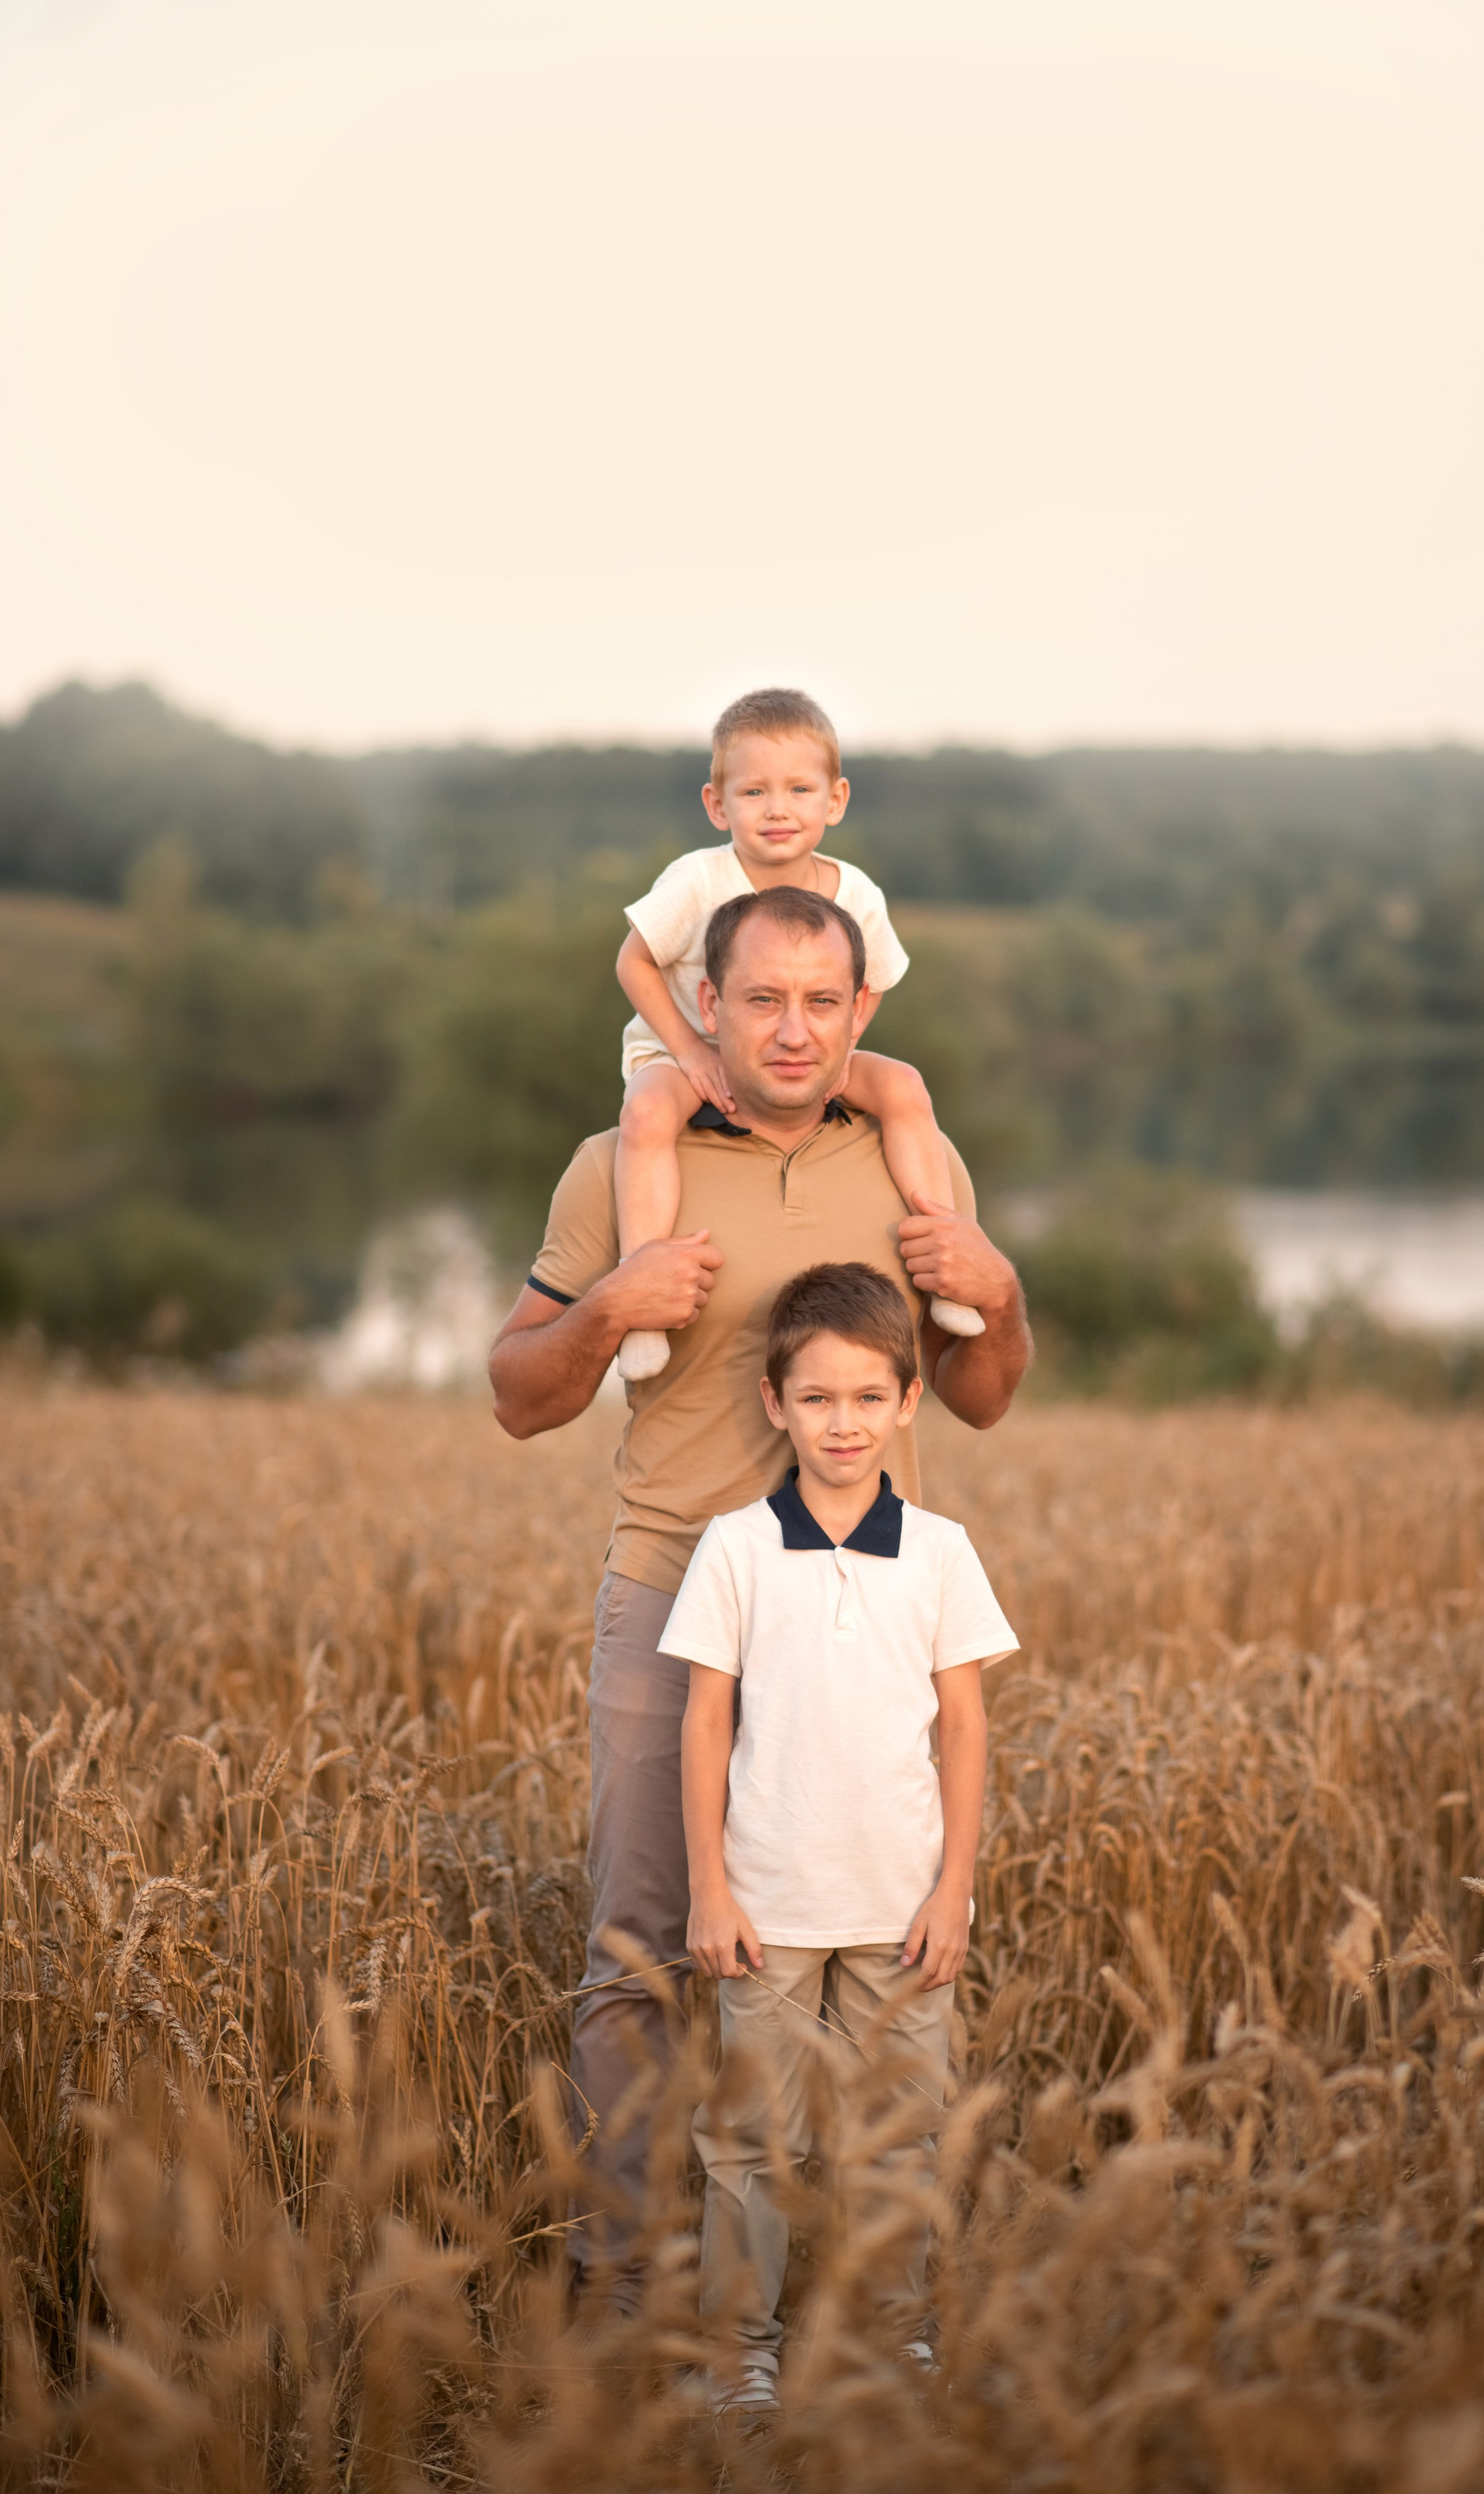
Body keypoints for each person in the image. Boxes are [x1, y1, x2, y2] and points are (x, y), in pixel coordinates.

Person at [488, 882, 1030, 2306]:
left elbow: (974, 1393)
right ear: (701, 1006)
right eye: (760, 999)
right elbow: (516, 1399)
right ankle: (621, 2290)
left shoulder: (914, 1158)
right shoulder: (622, 1159)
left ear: (862, 1009)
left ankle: (851, 2297)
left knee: (871, 1958)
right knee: (640, 1955)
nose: (791, 1030)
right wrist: (611, 1305)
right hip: (670, 1596)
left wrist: (1002, 1294)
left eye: (820, 1000)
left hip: (861, 1624)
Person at [667, 1262, 1017, 2418]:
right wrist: (710, 1890)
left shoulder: (941, 1551)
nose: (844, 1423)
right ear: (775, 1404)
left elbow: (963, 1726)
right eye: (817, 1399)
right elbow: (705, 1719)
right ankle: (741, 2354)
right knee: (753, 2148)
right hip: (766, 1904)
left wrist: (954, 1889)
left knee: (898, 2142)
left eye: (869, 1398)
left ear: (909, 1404)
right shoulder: (732, 1549)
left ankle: (891, 2338)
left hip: (902, 1906)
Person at [610, 686, 985, 1381]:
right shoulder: (698, 879)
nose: (777, 809)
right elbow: (632, 961)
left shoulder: (856, 894)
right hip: (681, 1042)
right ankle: (644, 1301)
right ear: (717, 805)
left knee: (903, 1086)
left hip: (804, 1050)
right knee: (647, 1113)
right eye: (753, 792)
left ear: (835, 800)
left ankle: (943, 1269)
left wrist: (838, 1051)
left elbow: (872, 982)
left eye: (799, 789)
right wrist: (690, 1051)